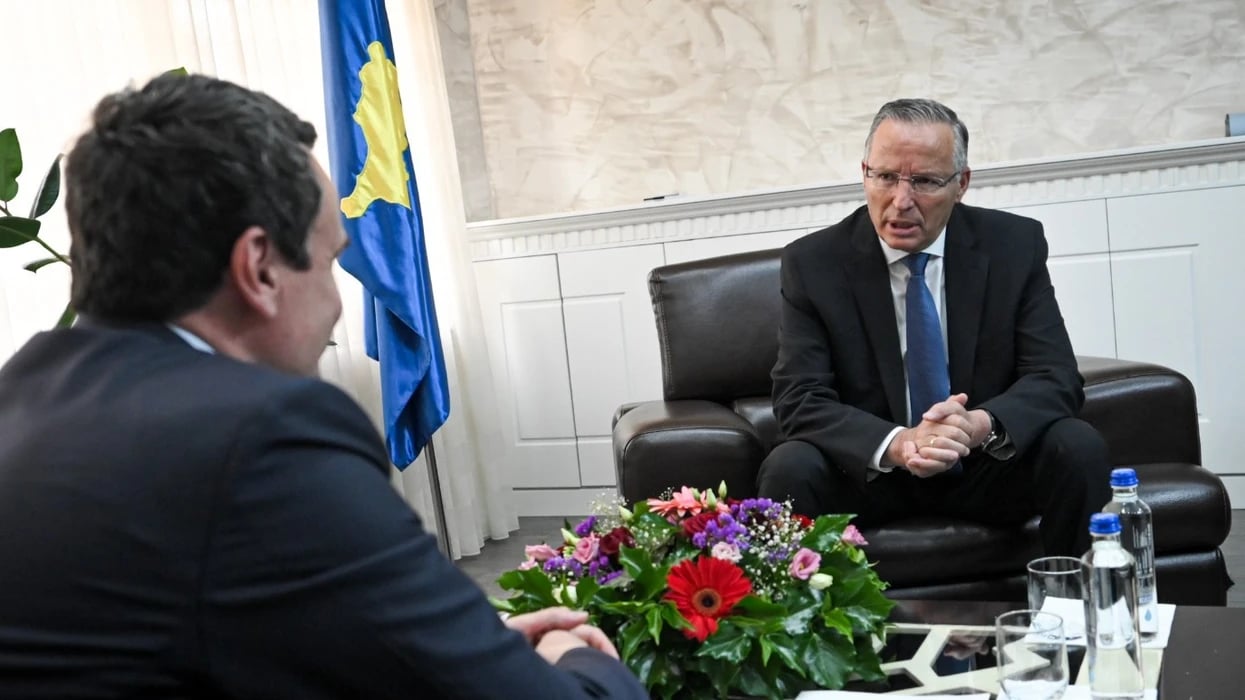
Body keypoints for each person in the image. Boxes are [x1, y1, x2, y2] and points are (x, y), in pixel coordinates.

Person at [0, 73, 645, 699]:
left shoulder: (21, 396)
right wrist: (574, 658)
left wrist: (452, 655)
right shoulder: (262, 439)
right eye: (333, 261)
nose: (338, 306)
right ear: (260, 269)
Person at [757, 98, 1111, 556]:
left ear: (961, 183)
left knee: (1076, 445)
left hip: (983, 464)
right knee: (790, 466)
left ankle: (1083, 598)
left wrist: (978, 425)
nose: (901, 201)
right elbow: (799, 398)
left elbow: (1055, 375)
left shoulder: (1013, 246)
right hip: (873, 473)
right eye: (886, 177)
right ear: (864, 172)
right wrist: (901, 443)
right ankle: (800, 605)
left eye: (924, 181)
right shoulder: (814, 263)